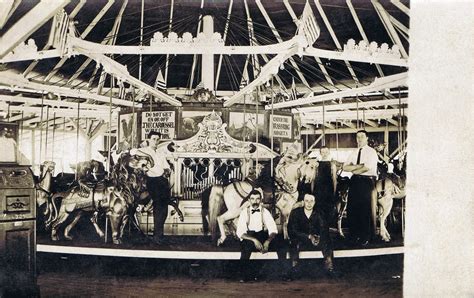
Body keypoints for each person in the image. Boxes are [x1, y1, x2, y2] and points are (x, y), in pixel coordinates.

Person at [236, 189, 286, 282]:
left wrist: (268, 241)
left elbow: (273, 230)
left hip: (262, 236)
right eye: (252, 199)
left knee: (281, 243)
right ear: (249, 200)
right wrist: (254, 240)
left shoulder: (265, 212)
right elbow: (240, 233)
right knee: (246, 248)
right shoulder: (244, 212)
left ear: (261, 200)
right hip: (249, 237)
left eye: (257, 199)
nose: (255, 201)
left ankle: (283, 273)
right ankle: (243, 276)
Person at [287, 193, 338, 279]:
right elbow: (292, 231)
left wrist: (318, 237)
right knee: (294, 243)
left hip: (315, 240)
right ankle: (294, 269)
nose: (309, 203)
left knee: (327, 241)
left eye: (311, 201)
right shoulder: (296, 213)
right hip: (301, 239)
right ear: (303, 202)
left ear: (314, 202)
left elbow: (324, 229)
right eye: (307, 201)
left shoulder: (319, 213)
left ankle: (330, 268)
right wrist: (308, 236)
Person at [343, 130, 378, 246]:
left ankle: (366, 237)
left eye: (362, 137)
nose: (359, 139)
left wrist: (353, 168)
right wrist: (358, 167)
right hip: (355, 181)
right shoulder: (354, 152)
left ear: (367, 138)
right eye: (357, 137)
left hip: (367, 181)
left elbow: (366, 168)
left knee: (365, 210)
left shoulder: (371, 152)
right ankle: (354, 236)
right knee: (352, 209)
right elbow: (345, 167)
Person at [136, 131, 172, 245]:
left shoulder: (161, 152)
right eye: (153, 139)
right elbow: (132, 152)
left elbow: (166, 166)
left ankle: (159, 234)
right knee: (158, 207)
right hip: (151, 181)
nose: (156, 141)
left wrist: (167, 171)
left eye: (157, 139)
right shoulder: (145, 151)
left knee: (164, 209)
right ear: (149, 139)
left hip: (162, 181)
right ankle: (157, 236)